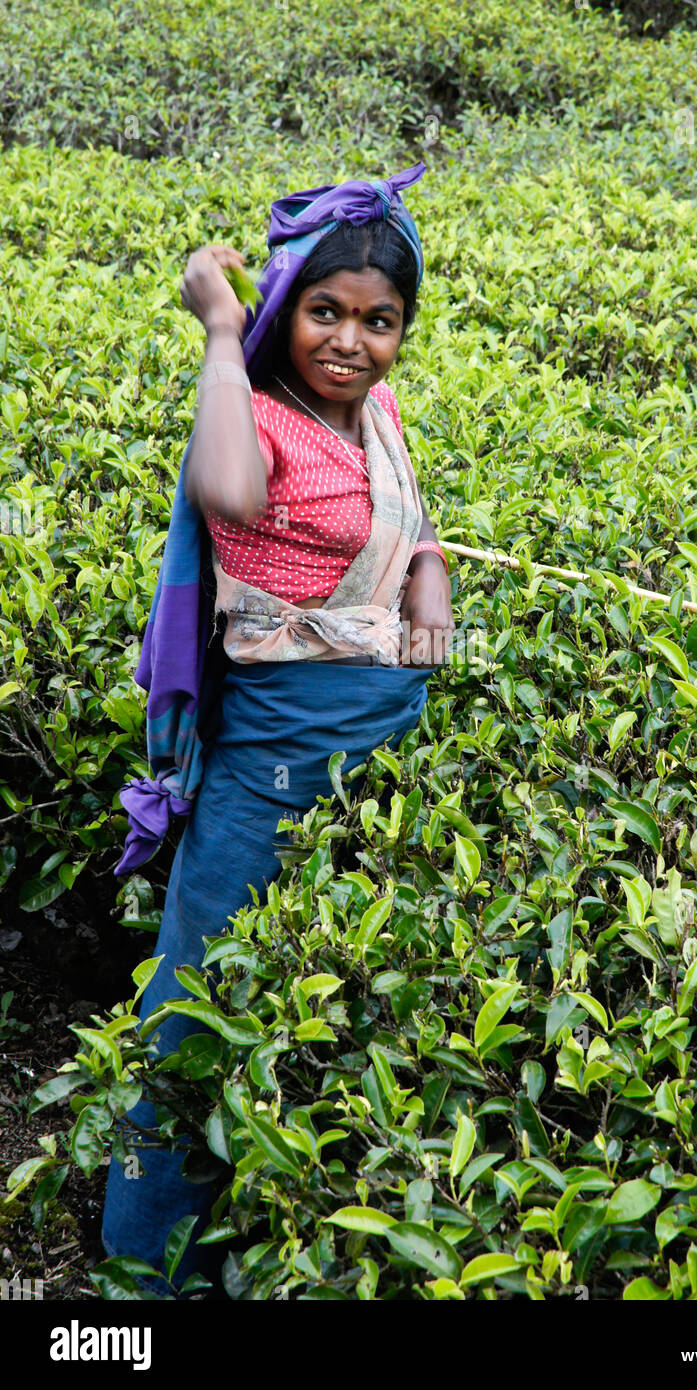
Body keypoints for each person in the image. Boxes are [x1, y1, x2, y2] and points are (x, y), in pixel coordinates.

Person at [100, 161, 454, 1298]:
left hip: (379, 749)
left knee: (327, 994)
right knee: (199, 995)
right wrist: (218, 328)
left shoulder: (376, 405)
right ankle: (144, 1271)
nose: (351, 341)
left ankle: (286, 1227)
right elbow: (230, 494)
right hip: (278, 758)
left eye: (379, 320)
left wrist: (430, 582)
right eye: (325, 313)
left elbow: (412, 511)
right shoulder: (251, 411)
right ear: (285, 306)